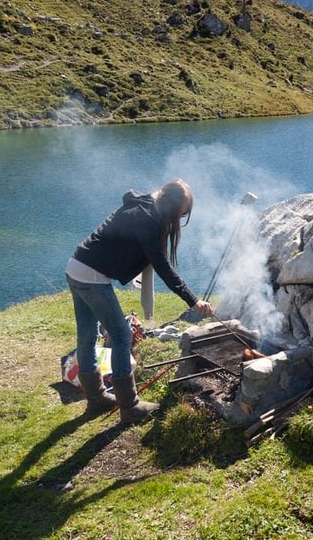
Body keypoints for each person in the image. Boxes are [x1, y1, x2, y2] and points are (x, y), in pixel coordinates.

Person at [65, 179, 214, 422]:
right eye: (182, 213)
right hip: (91, 276)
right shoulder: (147, 221)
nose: (181, 219)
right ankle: (129, 406)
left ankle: (96, 399)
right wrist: (193, 301)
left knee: (87, 335)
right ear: (172, 208)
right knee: (122, 336)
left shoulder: (146, 203)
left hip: (76, 265)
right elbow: (163, 267)